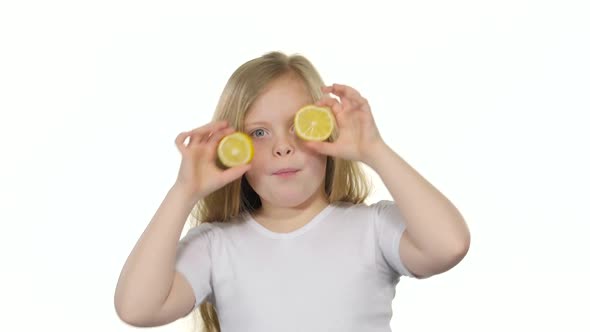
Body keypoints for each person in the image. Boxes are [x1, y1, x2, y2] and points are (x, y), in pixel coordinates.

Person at [114, 51, 471, 332]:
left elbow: (449, 245)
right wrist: (184, 192)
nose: (282, 147)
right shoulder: (215, 246)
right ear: (233, 147)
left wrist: (375, 150)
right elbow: (137, 308)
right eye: (259, 133)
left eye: (298, 126)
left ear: (326, 131)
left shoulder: (372, 229)